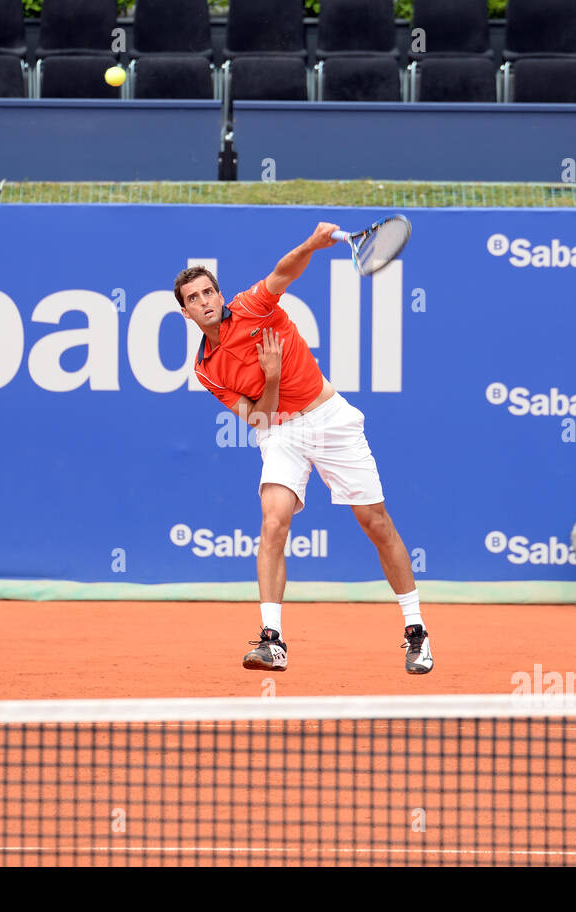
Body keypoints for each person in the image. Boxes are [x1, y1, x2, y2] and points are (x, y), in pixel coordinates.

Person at [174, 222, 432, 674]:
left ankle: (416, 632)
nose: (204, 301)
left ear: (220, 294)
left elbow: (283, 272)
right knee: (273, 523)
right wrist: (270, 377)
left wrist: (313, 244)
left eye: (208, 291)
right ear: (186, 313)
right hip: (280, 433)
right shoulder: (206, 370)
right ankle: (272, 642)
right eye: (193, 298)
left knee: (375, 522)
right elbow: (259, 418)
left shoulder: (253, 306)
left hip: (329, 417)